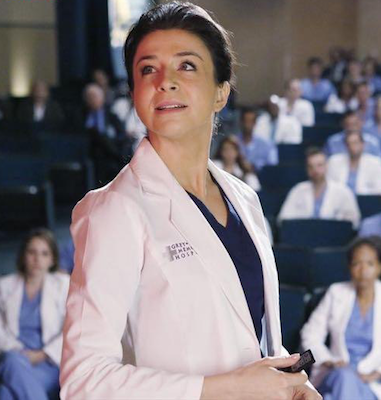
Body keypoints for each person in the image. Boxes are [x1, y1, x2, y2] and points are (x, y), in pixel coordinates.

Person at [59, 3, 320, 399]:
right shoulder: (113, 210)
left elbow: (247, 335)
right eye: (148, 69)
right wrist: (226, 389)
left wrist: (292, 384)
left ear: (221, 92)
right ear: (134, 94)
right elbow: (84, 381)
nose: (165, 81)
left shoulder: (244, 198)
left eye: (186, 66)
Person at [301, 236, 381, 400]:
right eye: (356, 263)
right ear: (349, 267)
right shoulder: (336, 292)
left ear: (380, 267)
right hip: (336, 376)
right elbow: (310, 334)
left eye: (370, 264)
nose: (363, 270)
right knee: (345, 377)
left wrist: (378, 373)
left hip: (375, 384)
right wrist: (328, 361)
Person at [0, 228, 70, 400]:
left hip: (50, 362)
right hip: (15, 355)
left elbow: (72, 328)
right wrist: (20, 353)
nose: (37, 259)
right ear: (23, 255)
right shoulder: (4, 286)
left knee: (5, 393)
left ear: (52, 259)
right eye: (32, 252)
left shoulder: (63, 285)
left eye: (44, 254)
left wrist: (42, 354)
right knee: (12, 361)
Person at [278, 147, 361, 228]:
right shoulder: (298, 190)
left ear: (327, 166)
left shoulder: (343, 191)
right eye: (310, 166)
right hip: (302, 234)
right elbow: (283, 219)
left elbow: (354, 221)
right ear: (306, 169)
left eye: (319, 165)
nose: (315, 170)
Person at [326, 130, 381, 195]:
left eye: (355, 143)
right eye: (349, 144)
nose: (352, 147)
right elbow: (328, 185)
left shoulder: (376, 163)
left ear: (363, 144)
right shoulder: (334, 161)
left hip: (366, 199)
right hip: (339, 198)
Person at [236, 107, 278, 171]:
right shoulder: (233, 142)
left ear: (255, 123)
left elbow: (273, 164)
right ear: (240, 122)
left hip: (262, 176)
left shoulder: (266, 144)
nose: (248, 125)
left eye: (251, 121)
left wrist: (254, 166)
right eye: (246, 121)